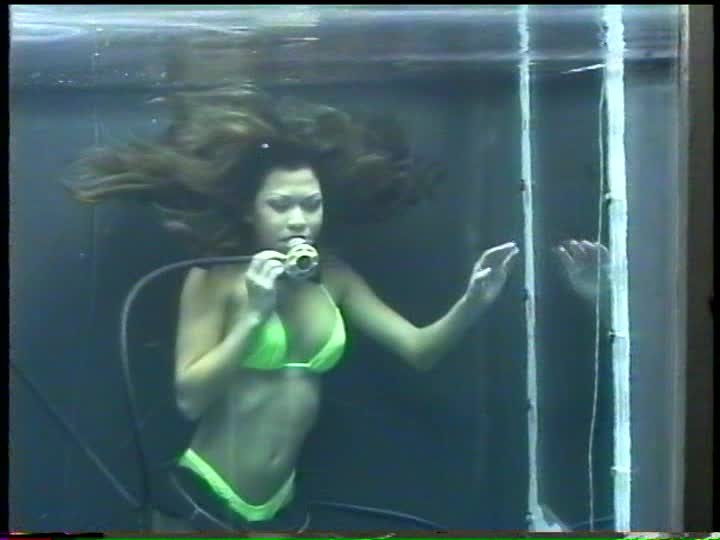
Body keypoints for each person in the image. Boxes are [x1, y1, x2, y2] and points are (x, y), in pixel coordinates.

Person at [66, 85, 519, 534]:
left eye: (311, 205)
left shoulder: (334, 276)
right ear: (250, 211)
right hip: (202, 496)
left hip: (280, 504)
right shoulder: (212, 278)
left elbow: (420, 350)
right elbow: (190, 400)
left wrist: (473, 301)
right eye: (280, 206)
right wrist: (253, 316)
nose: (299, 220)